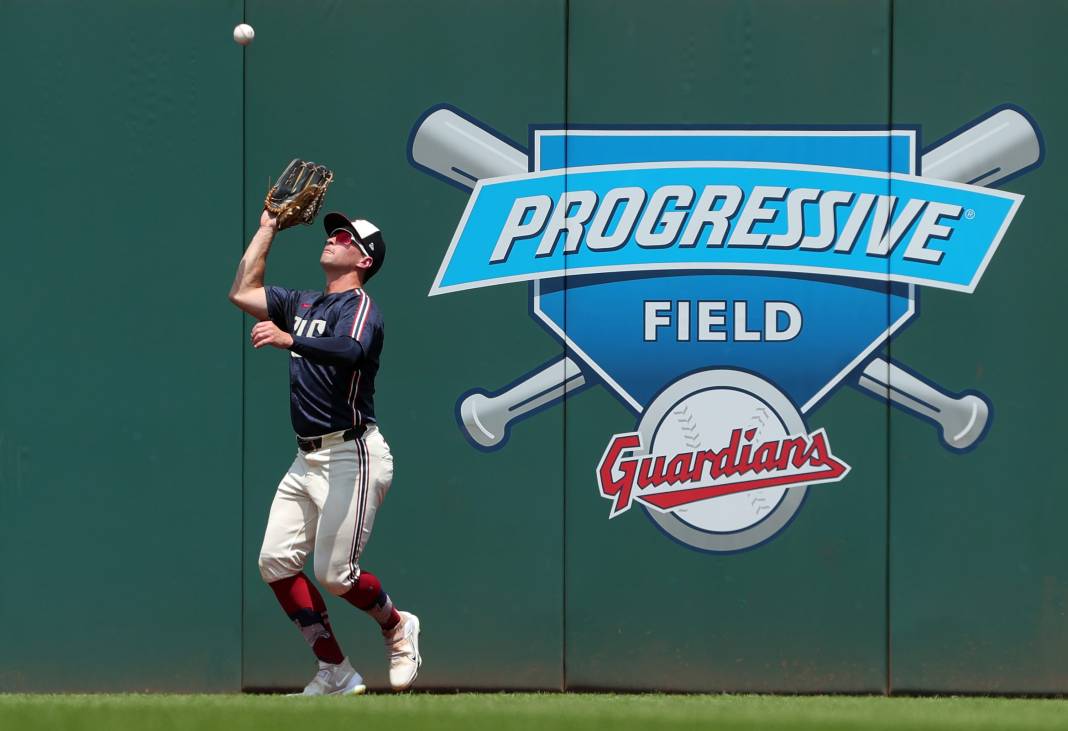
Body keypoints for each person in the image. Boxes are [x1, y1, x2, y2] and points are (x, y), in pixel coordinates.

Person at [228, 207, 421, 696]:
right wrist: (268, 227)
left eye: (343, 236)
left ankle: (397, 624)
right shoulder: (303, 303)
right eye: (333, 232)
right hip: (306, 456)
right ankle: (335, 670)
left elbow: (352, 351)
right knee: (274, 561)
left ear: (363, 258)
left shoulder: (359, 306)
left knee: (336, 576)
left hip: (351, 454)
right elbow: (242, 292)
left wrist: (289, 338)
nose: (332, 239)